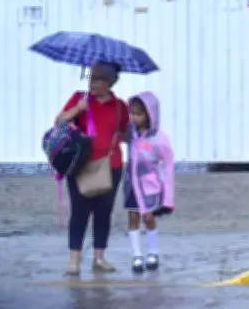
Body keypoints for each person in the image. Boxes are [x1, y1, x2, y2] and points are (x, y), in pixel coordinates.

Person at [56, 62, 129, 275]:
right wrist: (77, 110)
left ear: (110, 83)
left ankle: (99, 257)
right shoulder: (80, 99)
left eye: (98, 80)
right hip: (80, 166)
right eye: (91, 78)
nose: (93, 83)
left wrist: (121, 136)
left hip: (110, 166)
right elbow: (58, 122)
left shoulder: (119, 106)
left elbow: (127, 135)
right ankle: (74, 260)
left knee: (103, 212)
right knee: (79, 212)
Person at [123, 91, 175, 273]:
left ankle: (153, 251)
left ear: (150, 114)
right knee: (133, 216)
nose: (134, 117)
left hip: (149, 185)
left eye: (138, 114)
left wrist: (168, 198)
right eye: (132, 113)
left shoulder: (159, 138)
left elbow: (168, 165)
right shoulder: (130, 133)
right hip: (131, 184)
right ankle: (136, 255)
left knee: (149, 217)